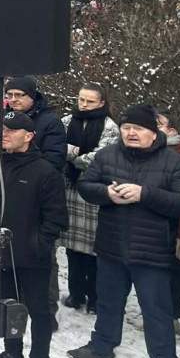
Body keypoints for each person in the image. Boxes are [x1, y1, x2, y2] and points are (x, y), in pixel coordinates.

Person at [69, 103, 180, 358]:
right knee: (108, 302)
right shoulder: (108, 154)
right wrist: (106, 193)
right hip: (112, 244)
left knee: (156, 309)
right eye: (126, 128)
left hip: (152, 250)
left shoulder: (173, 161)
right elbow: (85, 185)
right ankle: (102, 345)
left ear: (153, 132)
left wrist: (145, 194)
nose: (131, 133)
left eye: (138, 128)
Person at [0, 110, 68, 358]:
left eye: (12, 130)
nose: (4, 134)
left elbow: (56, 218)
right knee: (5, 305)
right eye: (2, 129)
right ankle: (12, 353)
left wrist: (39, 244)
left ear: (28, 136)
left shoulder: (45, 172)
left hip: (32, 256)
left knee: (39, 311)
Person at [60, 84, 119, 313]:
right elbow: (56, 145)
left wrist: (73, 155)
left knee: (93, 250)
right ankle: (76, 293)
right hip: (69, 188)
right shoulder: (67, 121)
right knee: (72, 248)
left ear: (102, 103)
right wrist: (76, 152)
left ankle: (95, 297)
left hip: (94, 190)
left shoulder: (110, 127)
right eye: (81, 99)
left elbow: (100, 158)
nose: (83, 105)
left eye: (90, 101)